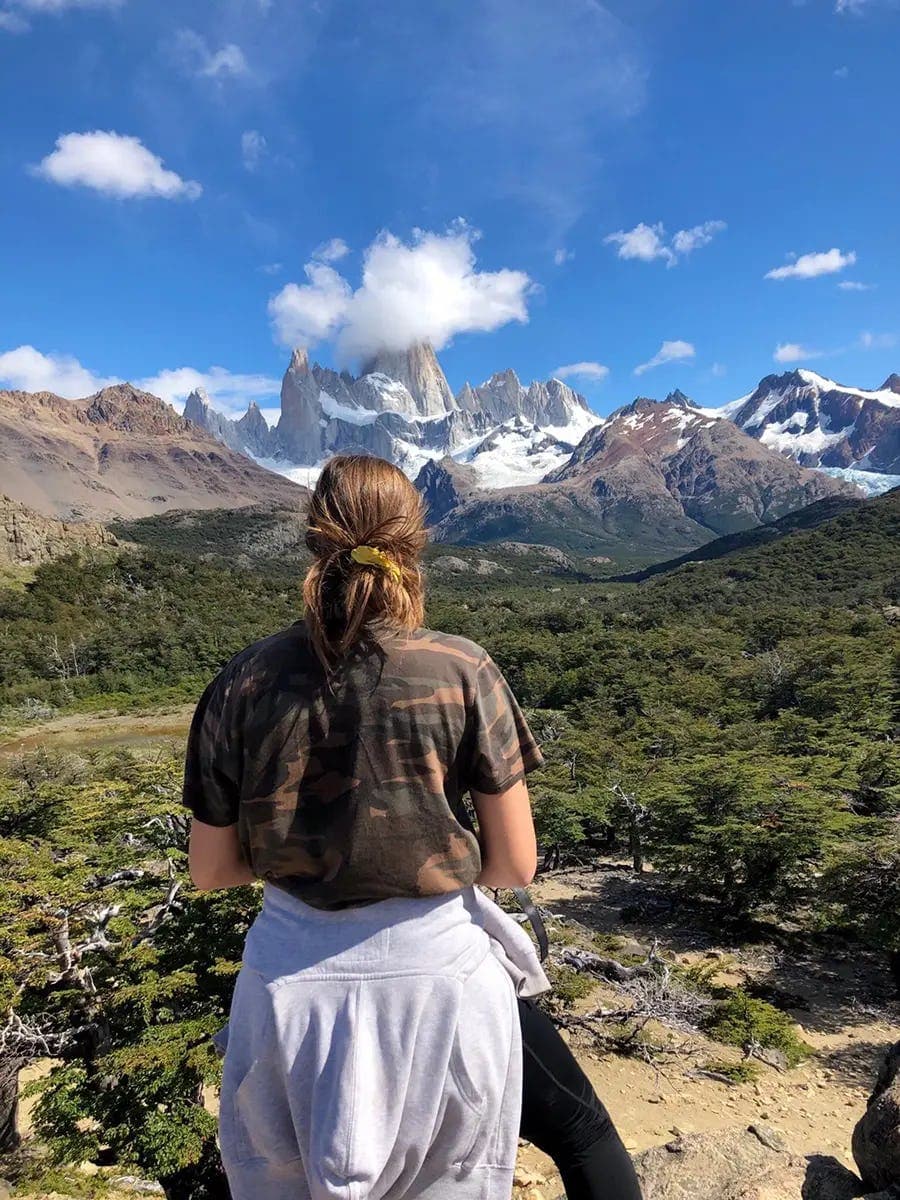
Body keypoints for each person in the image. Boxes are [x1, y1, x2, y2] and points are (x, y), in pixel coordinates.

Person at [182, 453, 641, 1200]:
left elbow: (211, 870)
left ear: (314, 538)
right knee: (581, 1136)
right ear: (414, 539)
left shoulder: (242, 680)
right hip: (440, 986)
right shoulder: (461, 668)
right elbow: (514, 864)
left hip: (285, 990)